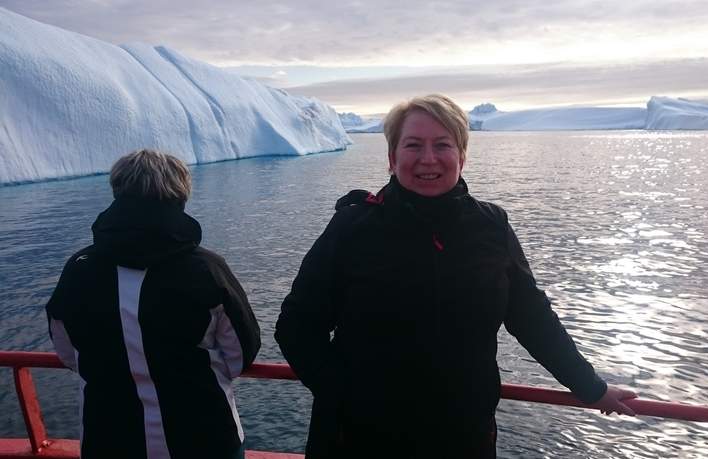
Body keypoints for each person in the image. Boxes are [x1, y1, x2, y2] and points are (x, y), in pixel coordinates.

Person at [275, 94, 636, 458]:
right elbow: (296, 327)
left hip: (463, 437)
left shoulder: (491, 226)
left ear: (461, 156)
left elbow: (532, 318)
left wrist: (591, 387)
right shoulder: (352, 228)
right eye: (413, 145)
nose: (428, 158)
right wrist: (345, 394)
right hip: (357, 440)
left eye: (442, 145)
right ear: (392, 158)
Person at [46, 149, 261, 459]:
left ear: (118, 191)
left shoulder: (78, 269)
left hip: (108, 437)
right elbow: (240, 354)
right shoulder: (206, 270)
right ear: (180, 196)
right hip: (204, 437)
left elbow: (67, 350)